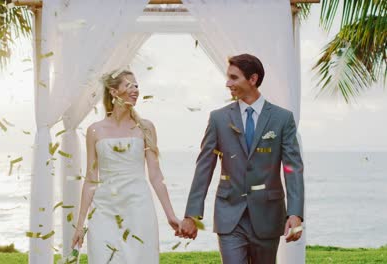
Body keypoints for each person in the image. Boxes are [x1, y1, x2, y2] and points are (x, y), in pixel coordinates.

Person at [180, 54, 305, 264]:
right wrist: (192, 214)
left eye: (234, 78)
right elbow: (204, 167)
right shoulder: (218, 119)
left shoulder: (282, 119)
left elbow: (292, 168)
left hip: (268, 215)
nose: (228, 83)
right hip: (229, 215)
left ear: (253, 79)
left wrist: (295, 214)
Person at [71, 70, 181, 263]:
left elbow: (155, 176)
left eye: (137, 85)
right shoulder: (94, 130)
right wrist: (80, 224)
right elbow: (90, 179)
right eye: (129, 85)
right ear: (114, 92)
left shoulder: (146, 127)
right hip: (104, 209)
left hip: (138, 207)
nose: (136, 90)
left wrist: (171, 215)